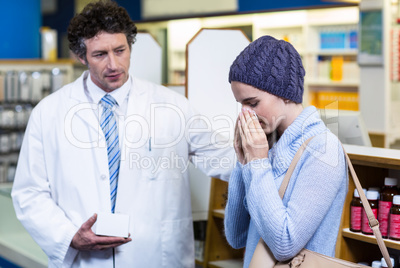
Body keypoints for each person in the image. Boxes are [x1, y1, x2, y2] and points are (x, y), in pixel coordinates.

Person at [11, 1, 234, 267]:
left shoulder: (172, 106)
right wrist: (68, 236)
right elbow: (29, 192)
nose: (114, 64)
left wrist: (278, 159)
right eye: (100, 54)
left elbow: (223, 157)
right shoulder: (49, 113)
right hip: (86, 260)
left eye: (120, 50)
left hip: (155, 256)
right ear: (81, 57)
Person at [223, 35, 348, 267]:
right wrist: (244, 162)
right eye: (240, 105)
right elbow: (236, 236)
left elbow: (284, 245)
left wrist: (258, 164)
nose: (245, 115)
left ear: (284, 93)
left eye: (252, 103)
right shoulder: (266, 143)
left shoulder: (323, 149)